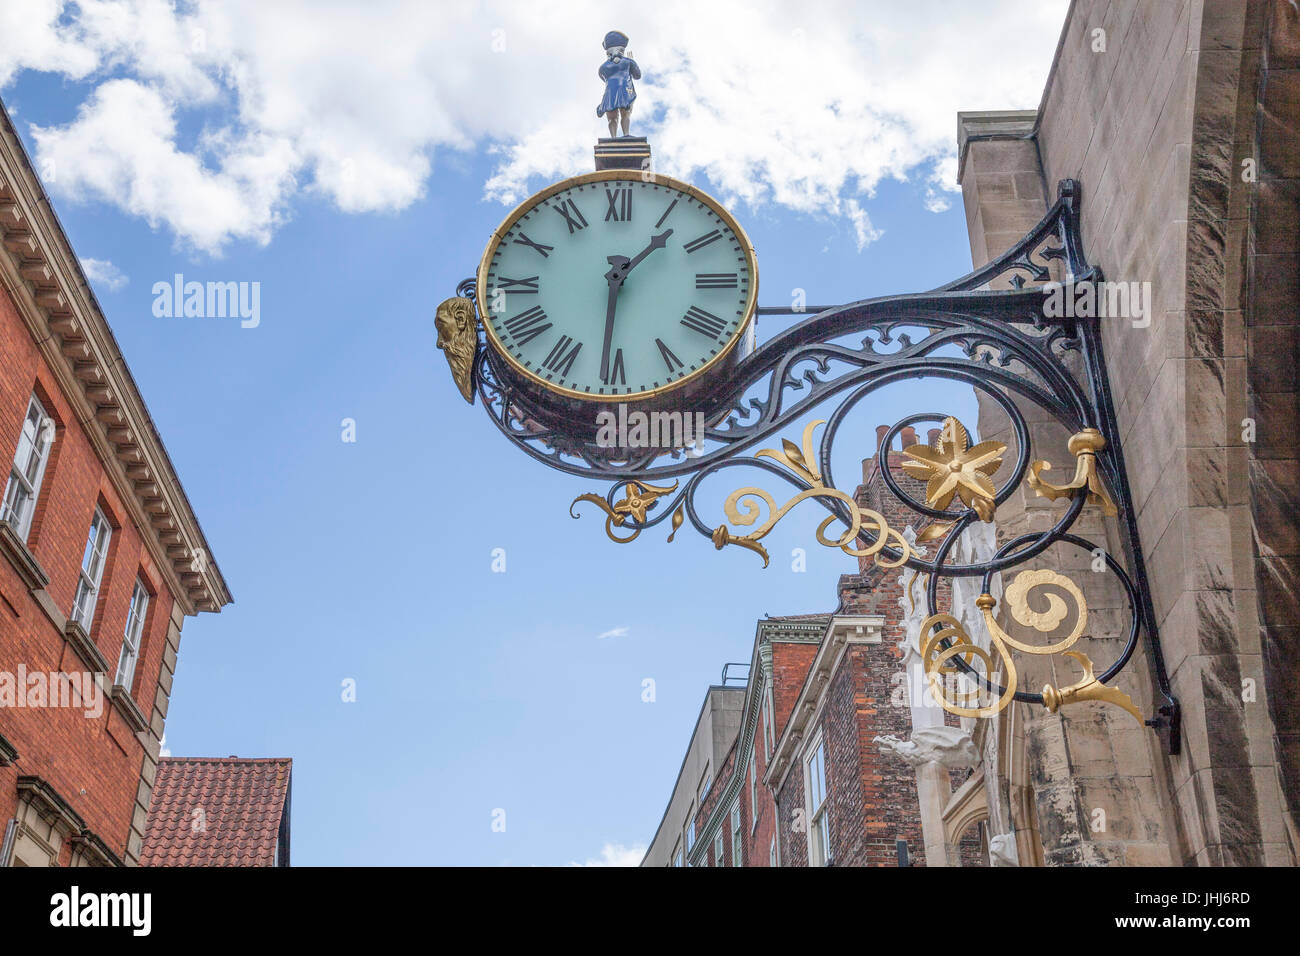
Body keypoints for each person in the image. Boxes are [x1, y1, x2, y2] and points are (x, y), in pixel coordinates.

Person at [596, 30, 640, 137]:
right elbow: (637, 75)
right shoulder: (627, 62)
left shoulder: (603, 67)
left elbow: (603, 77)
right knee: (624, 114)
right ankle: (624, 134)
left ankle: (616, 136)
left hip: (611, 92)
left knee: (614, 117)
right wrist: (632, 62)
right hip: (624, 90)